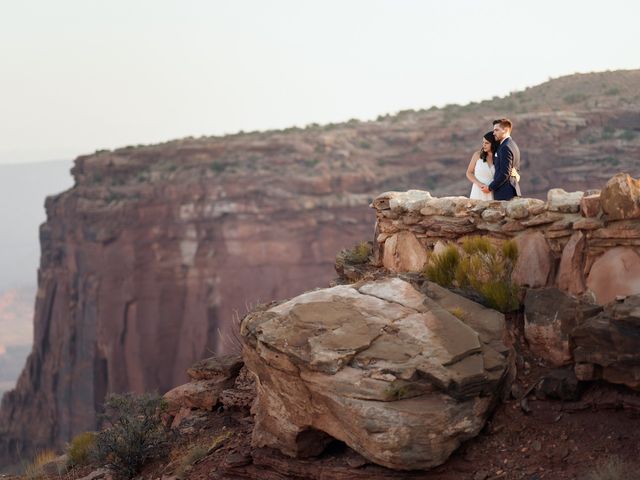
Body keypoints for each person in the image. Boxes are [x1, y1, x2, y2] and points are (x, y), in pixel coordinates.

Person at [482, 118, 522, 200]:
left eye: (496, 130)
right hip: (510, 190)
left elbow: (504, 173)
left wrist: (490, 188)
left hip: (505, 193)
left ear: (505, 130)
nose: (494, 133)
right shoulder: (512, 144)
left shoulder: (505, 147)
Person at [467, 131, 498, 200]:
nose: (484, 145)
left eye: (487, 143)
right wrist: (479, 184)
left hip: (493, 191)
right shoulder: (477, 155)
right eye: (483, 142)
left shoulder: (499, 157)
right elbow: (469, 172)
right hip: (478, 191)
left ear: (494, 144)